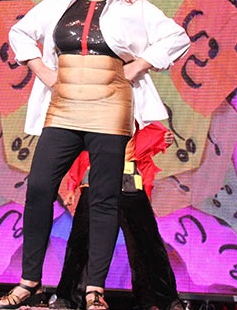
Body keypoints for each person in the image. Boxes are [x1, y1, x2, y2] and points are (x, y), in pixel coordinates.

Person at [0, 0, 190, 310]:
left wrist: (139, 64)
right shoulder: (61, 3)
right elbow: (19, 33)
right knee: (40, 186)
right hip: (65, 104)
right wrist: (44, 72)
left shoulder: (134, 6)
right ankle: (29, 281)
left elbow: (177, 37)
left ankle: (94, 290)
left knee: (104, 196)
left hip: (110, 104)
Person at [50, 122, 184, 310]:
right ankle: (69, 297)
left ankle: (160, 300)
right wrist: (71, 185)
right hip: (96, 178)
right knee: (81, 241)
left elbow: (147, 125)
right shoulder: (94, 117)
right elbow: (81, 151)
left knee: (147, 243)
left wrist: (161, 137)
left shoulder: (132, 111)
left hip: (128, 179)